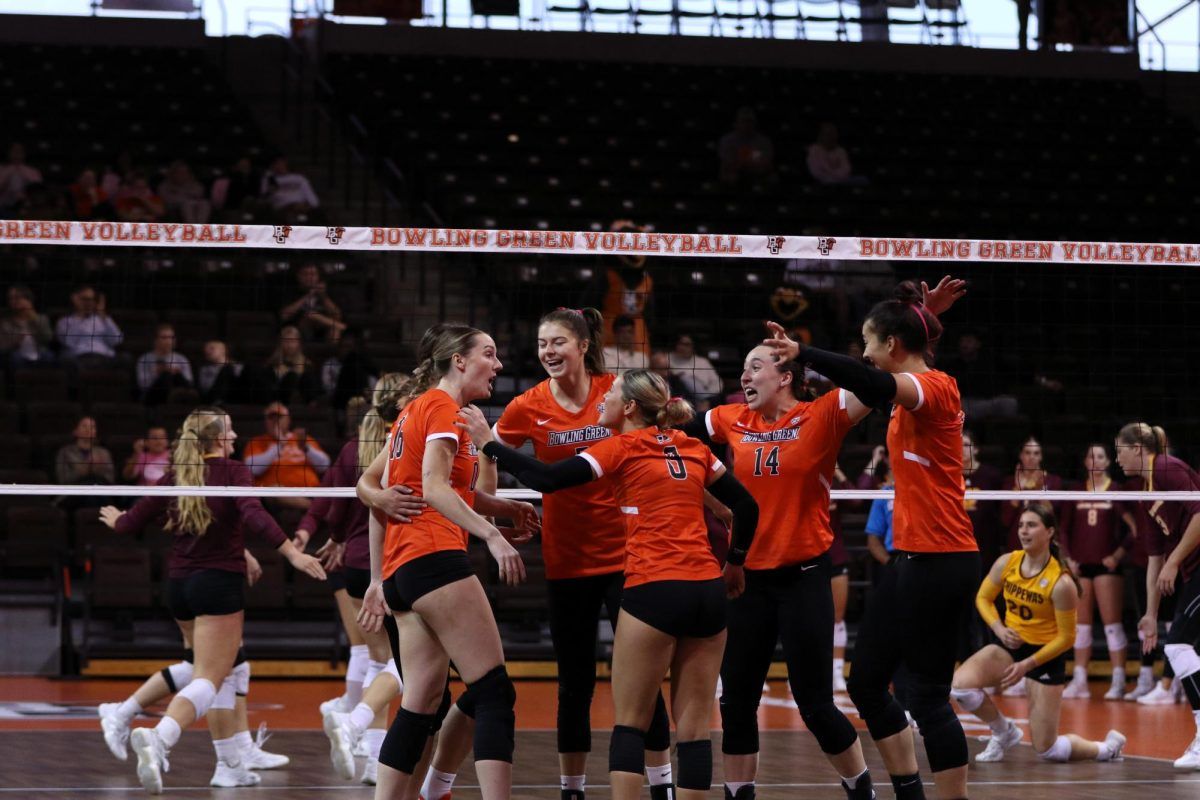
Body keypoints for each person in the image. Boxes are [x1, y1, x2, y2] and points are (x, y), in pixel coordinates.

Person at [461, 368, 759, 800]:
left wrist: (486, 443)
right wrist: (735, 563)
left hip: (655, 586)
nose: (602, 401)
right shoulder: (692, 446)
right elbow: (746, 506)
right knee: (695, 728)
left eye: (612, 396)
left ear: (631, 408)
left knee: (630, 722)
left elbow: (547, 480)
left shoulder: (620, 446)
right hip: (708, 589)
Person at [421, 308, 675, 800]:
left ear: (582, 345)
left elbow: (662, 437)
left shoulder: (617, 391)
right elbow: (489, 453)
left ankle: (662, 783)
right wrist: (494, 514)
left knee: (641, 679)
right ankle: (572, 788)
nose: (548, 352)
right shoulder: (526, 406)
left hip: (630, 555)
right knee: (574, 681)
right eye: (542, 344)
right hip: (568, 560)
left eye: (558, 342)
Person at [764, 277, 977, 800]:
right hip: (921, 558)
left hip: (938, 558)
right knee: (891, 689)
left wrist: (803, 352)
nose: (864, 353)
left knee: (911, 694)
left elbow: (880, 383)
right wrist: (923, 312)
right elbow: (895, 368)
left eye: (869, 343)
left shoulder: (936, 388)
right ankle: (911, 789)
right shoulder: (915, 386)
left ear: (892, 347)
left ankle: (930, 793)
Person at [98, 407, 325, 793]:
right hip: (217, 586)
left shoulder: (177, 475)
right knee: (210, 676)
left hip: (180, 587)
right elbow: (254, 515)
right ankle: (160, 737)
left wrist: (117, 519)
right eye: (231, 431)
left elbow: (130, 524)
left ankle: (230, 762)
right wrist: (292, 554)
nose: (236, 437)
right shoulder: (233, 472)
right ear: (217, 439)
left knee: (231, 668)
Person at [355, 323, 537, 800]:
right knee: (495, 693)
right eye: (489, 354)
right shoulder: (439, 406)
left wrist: (501, 508)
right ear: (459, 360)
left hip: (404, 572)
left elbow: (405, 487)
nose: (498, 365)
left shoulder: (415, 410)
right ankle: (445, 789)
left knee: (421, 706)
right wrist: (493, 536)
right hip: (434, 559)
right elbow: (432, 488)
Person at [701, 344, 876, 800]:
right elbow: (674, 441)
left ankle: (861, 788)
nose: (744, 376)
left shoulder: (822, 415)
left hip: (804, 577)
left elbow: (873, 382)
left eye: (755, 367)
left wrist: (808, 353)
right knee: (736, 702)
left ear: (784, 377)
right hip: (747, 580)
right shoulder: (730, 419)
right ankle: (739, 794)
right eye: (742, 368)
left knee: (816, 705)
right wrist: (714, 503)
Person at [300, 374, 422, 786]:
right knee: (411, 666)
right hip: (392, 563)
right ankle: (354, 720)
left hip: (356, 566)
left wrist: (332, 537)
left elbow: (333, 507)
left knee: (377, 659)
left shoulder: (355, 449)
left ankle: (372, 757)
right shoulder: (409, 443)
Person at [97, 549, 292, 786]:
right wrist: (293, 547)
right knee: (218, 671)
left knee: (221, 667)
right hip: (207, 577)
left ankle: (239, 751)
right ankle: (163, 737)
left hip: (190, 575)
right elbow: (240, 515)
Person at [949, 504, 1126, 764]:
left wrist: (1027, 665)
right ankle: (1003, 731)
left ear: (1050, 532)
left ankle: (1106, 749)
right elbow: (983, 598)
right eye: (1021, 525)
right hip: (1010, 645)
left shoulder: (1061, 582)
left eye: (1031, 525)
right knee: (960, 687)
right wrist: (999, 628)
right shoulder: (1008, 562)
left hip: (1044, 655)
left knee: (1048, 750)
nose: (1024, 531)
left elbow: (1067, 638)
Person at [1114, 422, 1200, 769]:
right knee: (1178, 645)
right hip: (1193, 572)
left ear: (1137, 448)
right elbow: (1154, 559)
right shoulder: (1144, 491)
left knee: (1178, 646)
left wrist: (1174, 561)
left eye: (1119, 450)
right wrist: (1150, 615)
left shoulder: (1166, 467)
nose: (1117, 459)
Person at [1059, 444, 1135, 701]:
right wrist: (1068, 559)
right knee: (1081, 627)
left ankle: (1118, 679)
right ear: (1084, 461)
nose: (1096, 460)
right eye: (1091, 455)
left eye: (1101, 456)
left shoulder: (1116, 491)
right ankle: (1080, 680)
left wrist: (1117, 556)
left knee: (1112, 626)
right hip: (1080, 566)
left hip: (1106, 567)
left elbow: (1133, 530)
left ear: (1108, 461)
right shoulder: (1076, 491)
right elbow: (1063, 531)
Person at [242, 402, 330, 508]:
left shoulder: (301, 438)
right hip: (276, 494)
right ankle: (316, 508)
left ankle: (315, 508)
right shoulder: (257, 442)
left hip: (310, 491)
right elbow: (253, 469)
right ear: (265, 421)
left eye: (279, 417)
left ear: (288, 420)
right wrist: (279, 444)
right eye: (271, 418)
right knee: (273, 490)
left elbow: (324, 465)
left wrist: (306, 448)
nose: (275, 421)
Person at [1001, 437, 1064, 552]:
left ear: (1041, 457)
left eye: (1036, 453)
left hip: (1042, 544)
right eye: (1027, 453)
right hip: (1016, 544)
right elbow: (1006, 520)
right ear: (1021, 455)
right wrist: (1018, 490)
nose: (1031, 457)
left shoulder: (1053, 481)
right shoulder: (1009, 482)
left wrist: (1039, 491)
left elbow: (1052, 516)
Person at [55, 285, 123, 365]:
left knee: (125, 358)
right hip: (78, 358)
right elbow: (69, 342)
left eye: (92, 300)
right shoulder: (65, 321)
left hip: (104, 357)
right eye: (85, 299)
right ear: (75, 300)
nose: (89, 303)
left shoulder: (103, 320)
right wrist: (80, 315)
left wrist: (103, 316)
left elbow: (117, 341)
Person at [281, 263, 346, 342]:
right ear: (298, 276)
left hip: (323, 330)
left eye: (313, 274)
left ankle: (330, 353)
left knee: (335, 330)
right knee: (310, 315)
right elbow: (284, 316)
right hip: (298, 330)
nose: (309, 277)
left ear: (318, 276)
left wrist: (323, 297)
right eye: (305, 274)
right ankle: (341, 326)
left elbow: (338, 316)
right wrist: (308, 295)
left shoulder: (327, 292)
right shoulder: (291, 292)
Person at [263, 325, 324, 405]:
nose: (289, 345)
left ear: (298, 343)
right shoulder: (272, 364)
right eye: (286, 341)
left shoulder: (308, 365)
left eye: (293, 341)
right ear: (280, 343)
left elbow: (317, 390)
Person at [136, 324, 195, 406]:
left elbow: (189, 383)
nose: (168, 341)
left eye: (171, 338)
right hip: (153, 396)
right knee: (166, 376)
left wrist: (177, 373)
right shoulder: (145, 359)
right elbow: (142, 385)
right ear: (156, 340)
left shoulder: (181, 359)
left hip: (178, 396)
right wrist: (157, 373)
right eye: (164, 338)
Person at [55, 416, 116, 496]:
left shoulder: (104, 453)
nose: (88, 430)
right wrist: (85, 469)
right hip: (73, 494)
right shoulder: (65, 452)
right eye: (84, 426)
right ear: (75, 431)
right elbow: (63, 479)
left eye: (92, 427)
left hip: (99, 493)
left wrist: (98, 469)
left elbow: (110, 479)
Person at [1, 284, 53, 367]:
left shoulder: (41, 318)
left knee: (49, 356)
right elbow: (3, 346)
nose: (13, 301)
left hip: (39, 351)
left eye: (17, 298)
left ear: (28, 300)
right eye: (10, 298)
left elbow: (48, 339)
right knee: (15, 358)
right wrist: (16, 342)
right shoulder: (5, 322)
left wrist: (34, 318)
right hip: (16, 353)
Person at [718, 107, 774, 186]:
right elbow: (728, 161)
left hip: (757, 172)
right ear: (736, 123)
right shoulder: (727, 140)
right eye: (743, 121)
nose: (747, 125)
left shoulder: (763, 141)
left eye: (750, 122)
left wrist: (748, 161)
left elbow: (764, 161)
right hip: (734, 171)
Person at [668, 334, 722, 406]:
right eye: (680, 344)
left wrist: (707, 400)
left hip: (707, 397)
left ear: (693, 347)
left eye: (686, 345)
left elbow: (717, 383)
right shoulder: (668, 359)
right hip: (683, 399)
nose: (682, 347)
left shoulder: (703, 361)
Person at [158, 160, 211, 224]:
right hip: (173, 209)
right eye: (179, 172)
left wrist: (185, 195)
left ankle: (200, 227)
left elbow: (199, 194)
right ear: (173, 173)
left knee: (204, 203)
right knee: (187, 204)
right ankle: (191, 227)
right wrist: (185, 198)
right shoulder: (165, 185)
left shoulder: (194, 184)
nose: (183, 174)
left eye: (185, 172)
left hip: (195, 205)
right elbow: (166, 200)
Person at [864, 460, 896, 567]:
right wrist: (890, 562)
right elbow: (873, 539)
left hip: (926, 554)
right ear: (887, 476)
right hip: (895, 556)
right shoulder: (885, 493)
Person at [196, 340, 243, 405]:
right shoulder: (203, 370)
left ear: (223, 350)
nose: (206, 351)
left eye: (212, 348)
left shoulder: (237, 368)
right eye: (205, 348)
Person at [0, 142, 42, 214]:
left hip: (27, 209)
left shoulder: (33, 171)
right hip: (3, 207)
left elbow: (38, 192)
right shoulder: (1, 169)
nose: (17, 153)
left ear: (24, 153)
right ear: (9, 153)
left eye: (19, 151)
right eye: (14, 151)